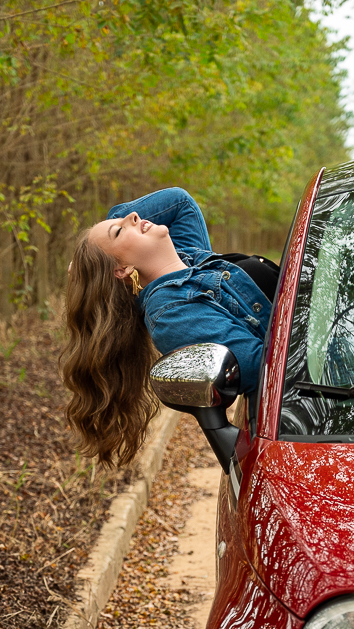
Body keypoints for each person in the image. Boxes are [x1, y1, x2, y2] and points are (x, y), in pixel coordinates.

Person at [62, 186, 275, 468]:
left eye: (129, 218)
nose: (134, 216)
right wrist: (95, 261)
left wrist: (100, 246)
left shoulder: (185, 256)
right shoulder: (171, 314)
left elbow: (178, 201)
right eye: (120, 230)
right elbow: (267, 369)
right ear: (122, 270)